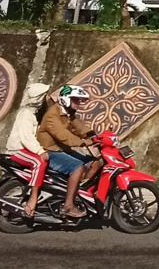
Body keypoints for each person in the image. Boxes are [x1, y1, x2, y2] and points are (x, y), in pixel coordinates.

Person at [37, 85, 96, 218]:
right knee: (77, 167)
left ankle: (79, 192)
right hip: (51, 151)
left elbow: (79, 127)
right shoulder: (53, 114)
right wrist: (84, 142)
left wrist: (94, 136)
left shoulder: (68, 113)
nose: (78, 103)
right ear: (65, 99)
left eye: (79, 100)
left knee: (93, 162)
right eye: (75, 100)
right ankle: (68, 206)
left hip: (61, 150)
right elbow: (64, 135)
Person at [3, 83, 50, 217]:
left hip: (24, 150)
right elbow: (26, 137)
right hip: (17, 151)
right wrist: (40, 151)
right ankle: (33, 198)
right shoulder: (26, 114)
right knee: (39, 163)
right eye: (44, 96)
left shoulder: (31, 114)